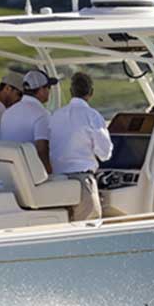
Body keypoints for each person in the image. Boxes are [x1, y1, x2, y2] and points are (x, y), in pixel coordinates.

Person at [47, 72, 113, 222]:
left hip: (56, 180)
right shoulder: (92, 116)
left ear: (71, 92)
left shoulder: (55, 115)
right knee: (88, 225)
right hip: (81, 181)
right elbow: (105, 153)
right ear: (91, 93)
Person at [0, 69, 58, 171]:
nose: (49, 91)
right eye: (48, 88)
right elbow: (42, 149)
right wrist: (49, 172)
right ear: (41, 90)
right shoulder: (42, 114)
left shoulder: (8, 112)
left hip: (4, 169)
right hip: (26, 172)